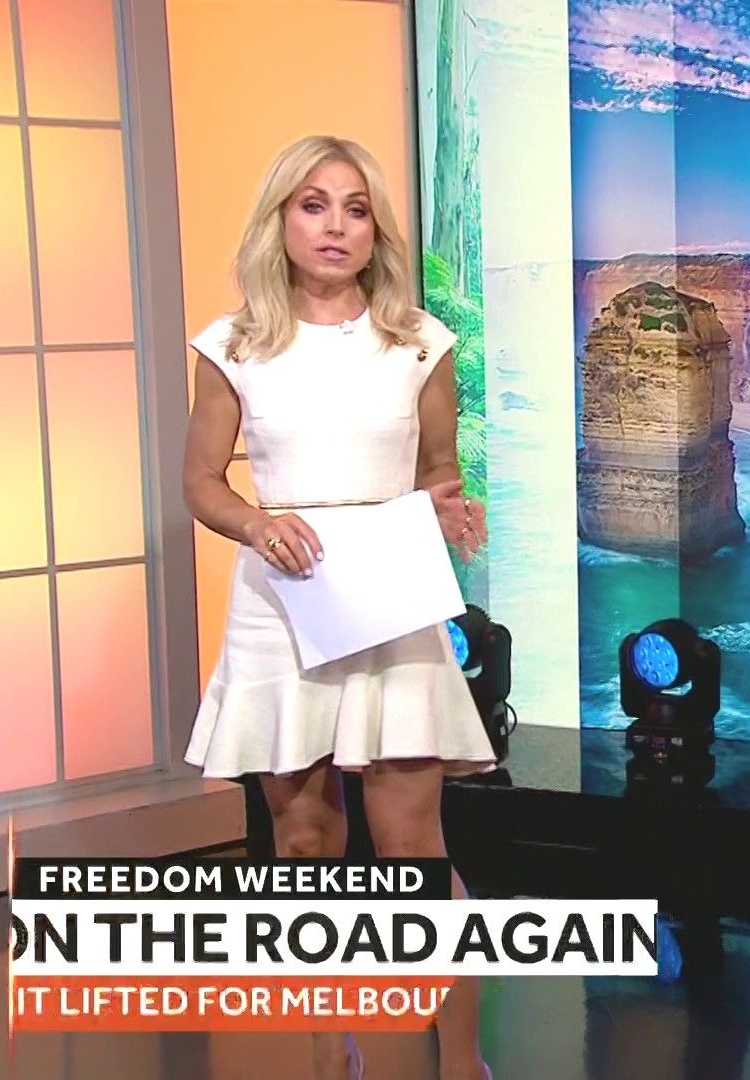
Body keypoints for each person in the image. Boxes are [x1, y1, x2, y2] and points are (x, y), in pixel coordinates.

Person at [182, 135, 494, 1080]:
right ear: (280, 219)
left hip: (388, 598)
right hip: (283, 603)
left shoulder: (419, 344)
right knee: (305, 841)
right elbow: (201, 481)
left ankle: (463, 1060)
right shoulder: (232, 346)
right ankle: (332, 1056)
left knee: (412, 850)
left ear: (375, 231)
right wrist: (255, 523)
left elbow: (438, 470)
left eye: (356, 209)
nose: (336, 226)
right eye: (314, 205)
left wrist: (450, 507)